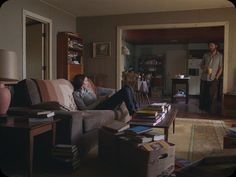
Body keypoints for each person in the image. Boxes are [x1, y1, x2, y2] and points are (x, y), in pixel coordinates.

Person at [72, 74, 138, 115]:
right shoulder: (76, 94)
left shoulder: (89, 89)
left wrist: (109, 95)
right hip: (97, 108)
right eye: (86, 81)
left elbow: (104, 92)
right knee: (125, 90)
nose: (88, 82)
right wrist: (99, 101)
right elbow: (84, 109)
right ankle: (133, 112)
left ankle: (136, 108)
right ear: (81, 83)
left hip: (103, 103)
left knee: (127, 87)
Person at [199, 41, 223, 114]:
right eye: (209, 46)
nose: (210, 47)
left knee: (211, 94)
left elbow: (221, 67)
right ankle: (202, 108)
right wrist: (204, 68)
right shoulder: (206, 55)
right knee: (203, 93)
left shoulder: (220, 56)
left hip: (213, 78)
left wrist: (217, 77)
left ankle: (209, 109)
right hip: (204, 77)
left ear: (216, 46)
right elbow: (201, 65)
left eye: (211, 45)